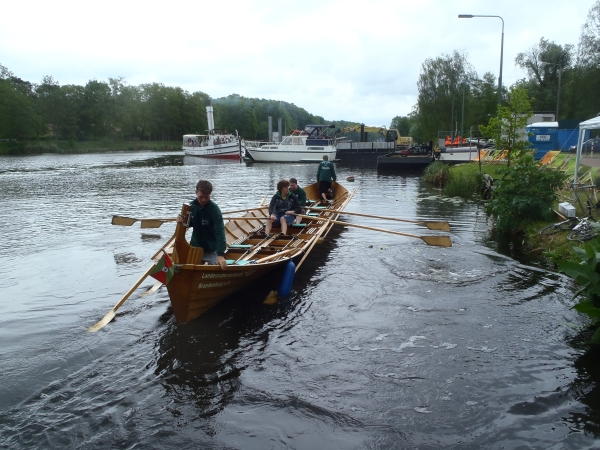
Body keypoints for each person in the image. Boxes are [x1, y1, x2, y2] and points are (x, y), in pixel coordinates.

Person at [176, 180, 227, 270]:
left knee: (216, 271)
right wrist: (181, 221)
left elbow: (220, 232)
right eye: (201, 197)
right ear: (196, 193)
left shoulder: (214, 209)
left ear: (210, 194)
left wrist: (220, 254)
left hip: (211, 250)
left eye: (206, 197)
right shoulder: (190, 207)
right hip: (194, 248)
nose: (203, 200)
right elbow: (187, 225)